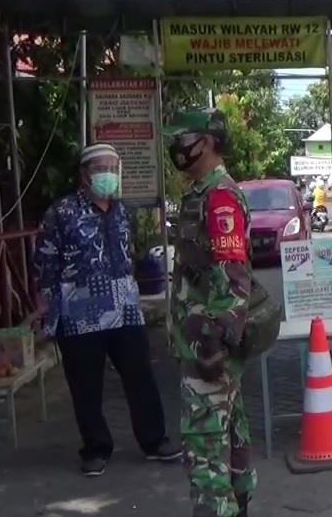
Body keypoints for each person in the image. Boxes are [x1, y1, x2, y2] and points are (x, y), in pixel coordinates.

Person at [31, 143, 180, 476]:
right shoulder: (62, 212)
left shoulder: (122, 211)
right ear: (84, 174)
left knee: (140, 374)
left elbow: (131, 254)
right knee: (85, 385)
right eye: (101, 168)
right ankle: (96, 448)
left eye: (113, 168)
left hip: (124, 307)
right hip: (79, 313)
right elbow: (44, 261)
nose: (108, 175)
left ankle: (154, 441)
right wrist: (49, 306)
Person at [165, 108, 256, 517]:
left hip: (208, 341)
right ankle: (237, 504)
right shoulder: (201, 191)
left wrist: (216, 338)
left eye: (185, 138)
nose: (177, 147)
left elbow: (232, 271)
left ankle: (219, 509)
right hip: (203, 334)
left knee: (203, 444)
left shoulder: (219, 195)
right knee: (232, 431)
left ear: (209, 141)